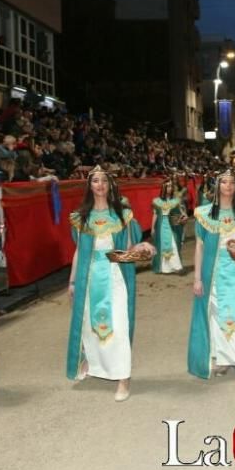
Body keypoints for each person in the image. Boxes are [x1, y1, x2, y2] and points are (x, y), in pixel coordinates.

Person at [66, 166, 153, 402]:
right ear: (90, 186)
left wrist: (144, 247)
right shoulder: (81, 217)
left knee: (120, 325)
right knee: (90, 326)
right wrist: (73, 281)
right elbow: (79, 252)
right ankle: (95, 365)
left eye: (104, 180)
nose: (100, 185)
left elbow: (129, 247)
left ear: (111, 185)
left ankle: (123, 378)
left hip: (116, 274)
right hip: (90, 276)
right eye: (95, 181)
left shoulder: (122, 215)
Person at [188, 169, 235, 385]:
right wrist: (197, 278)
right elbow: (200, 247)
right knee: (217, 315)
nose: (228, 186)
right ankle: (224, 358)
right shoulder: (204, 214)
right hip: (214, 272)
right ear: (217, 186)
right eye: (224, 182)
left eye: (232, 183)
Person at [151, 178, 184, 274]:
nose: (170, 188)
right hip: (161, 225)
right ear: (163, 188)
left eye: (171, 186)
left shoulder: (176, 200)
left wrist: (183, 217)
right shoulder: (156, 201)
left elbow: (181, 213)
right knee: (161, 245)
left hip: (173, 225)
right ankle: (164, 268)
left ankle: (175, 266)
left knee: (174, 243)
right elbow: (155, 214)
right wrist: (152, 227)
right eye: (168, 186)